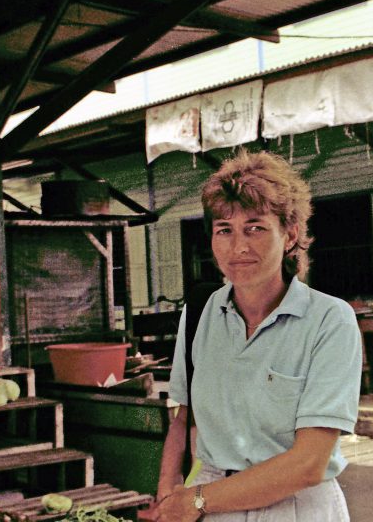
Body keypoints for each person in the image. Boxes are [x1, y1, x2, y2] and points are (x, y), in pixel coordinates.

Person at [149, 150, 362, 522]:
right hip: (213, 504)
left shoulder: (328, 321)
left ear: (290, 235)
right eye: (224, 230)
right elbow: (184, 416)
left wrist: (195, 501)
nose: (238, 247)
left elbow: (309, 464)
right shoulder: (200, 313)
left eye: (255, 228)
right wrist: (169, 488)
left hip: (295, 506)